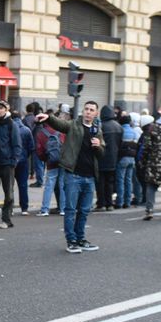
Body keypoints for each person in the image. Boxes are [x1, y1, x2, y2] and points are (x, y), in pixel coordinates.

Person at [38, 101, 100, 253]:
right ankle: (71, 240)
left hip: (89, 176)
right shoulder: (73, 125)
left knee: (84, 210)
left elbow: (101, 154)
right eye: (86, 109)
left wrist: (99, 146)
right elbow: (60, 125)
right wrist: (48, 118)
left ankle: (80, 238)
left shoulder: (97, 130)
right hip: (73, 175)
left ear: (96, 114)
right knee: (70, 209)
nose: (88, 112)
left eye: (91, 110)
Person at [0, 100, 21, 228]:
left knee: (9, 194)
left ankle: (6, 220)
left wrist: (13, 161)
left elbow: (17, 145)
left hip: (7, 164)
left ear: (6, 110)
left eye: (1, 108)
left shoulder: (11, 124)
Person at [35, 116, 64, 216]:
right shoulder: (61, 130)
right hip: (63, 162)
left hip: (51, 163)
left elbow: (39, 150)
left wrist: (46, 159)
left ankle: (45, 209)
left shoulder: (41, 133)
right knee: (62, 185)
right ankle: (63, 209)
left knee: (49, 186)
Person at [95, 106, 122, 211]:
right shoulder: (119, 127)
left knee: (100, 182)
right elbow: (120, 144)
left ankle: (101, 204)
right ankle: (109, 204)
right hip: (113, 159)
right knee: (110, 182)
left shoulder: (100, 127)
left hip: (101, 158)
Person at [117, 112, 140, 210]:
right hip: (132, 158)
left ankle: (120, 202)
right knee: (129, 180)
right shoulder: (134, 131)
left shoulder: (121, 130)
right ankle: (128, 201)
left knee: (120, 180)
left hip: (122, 158)